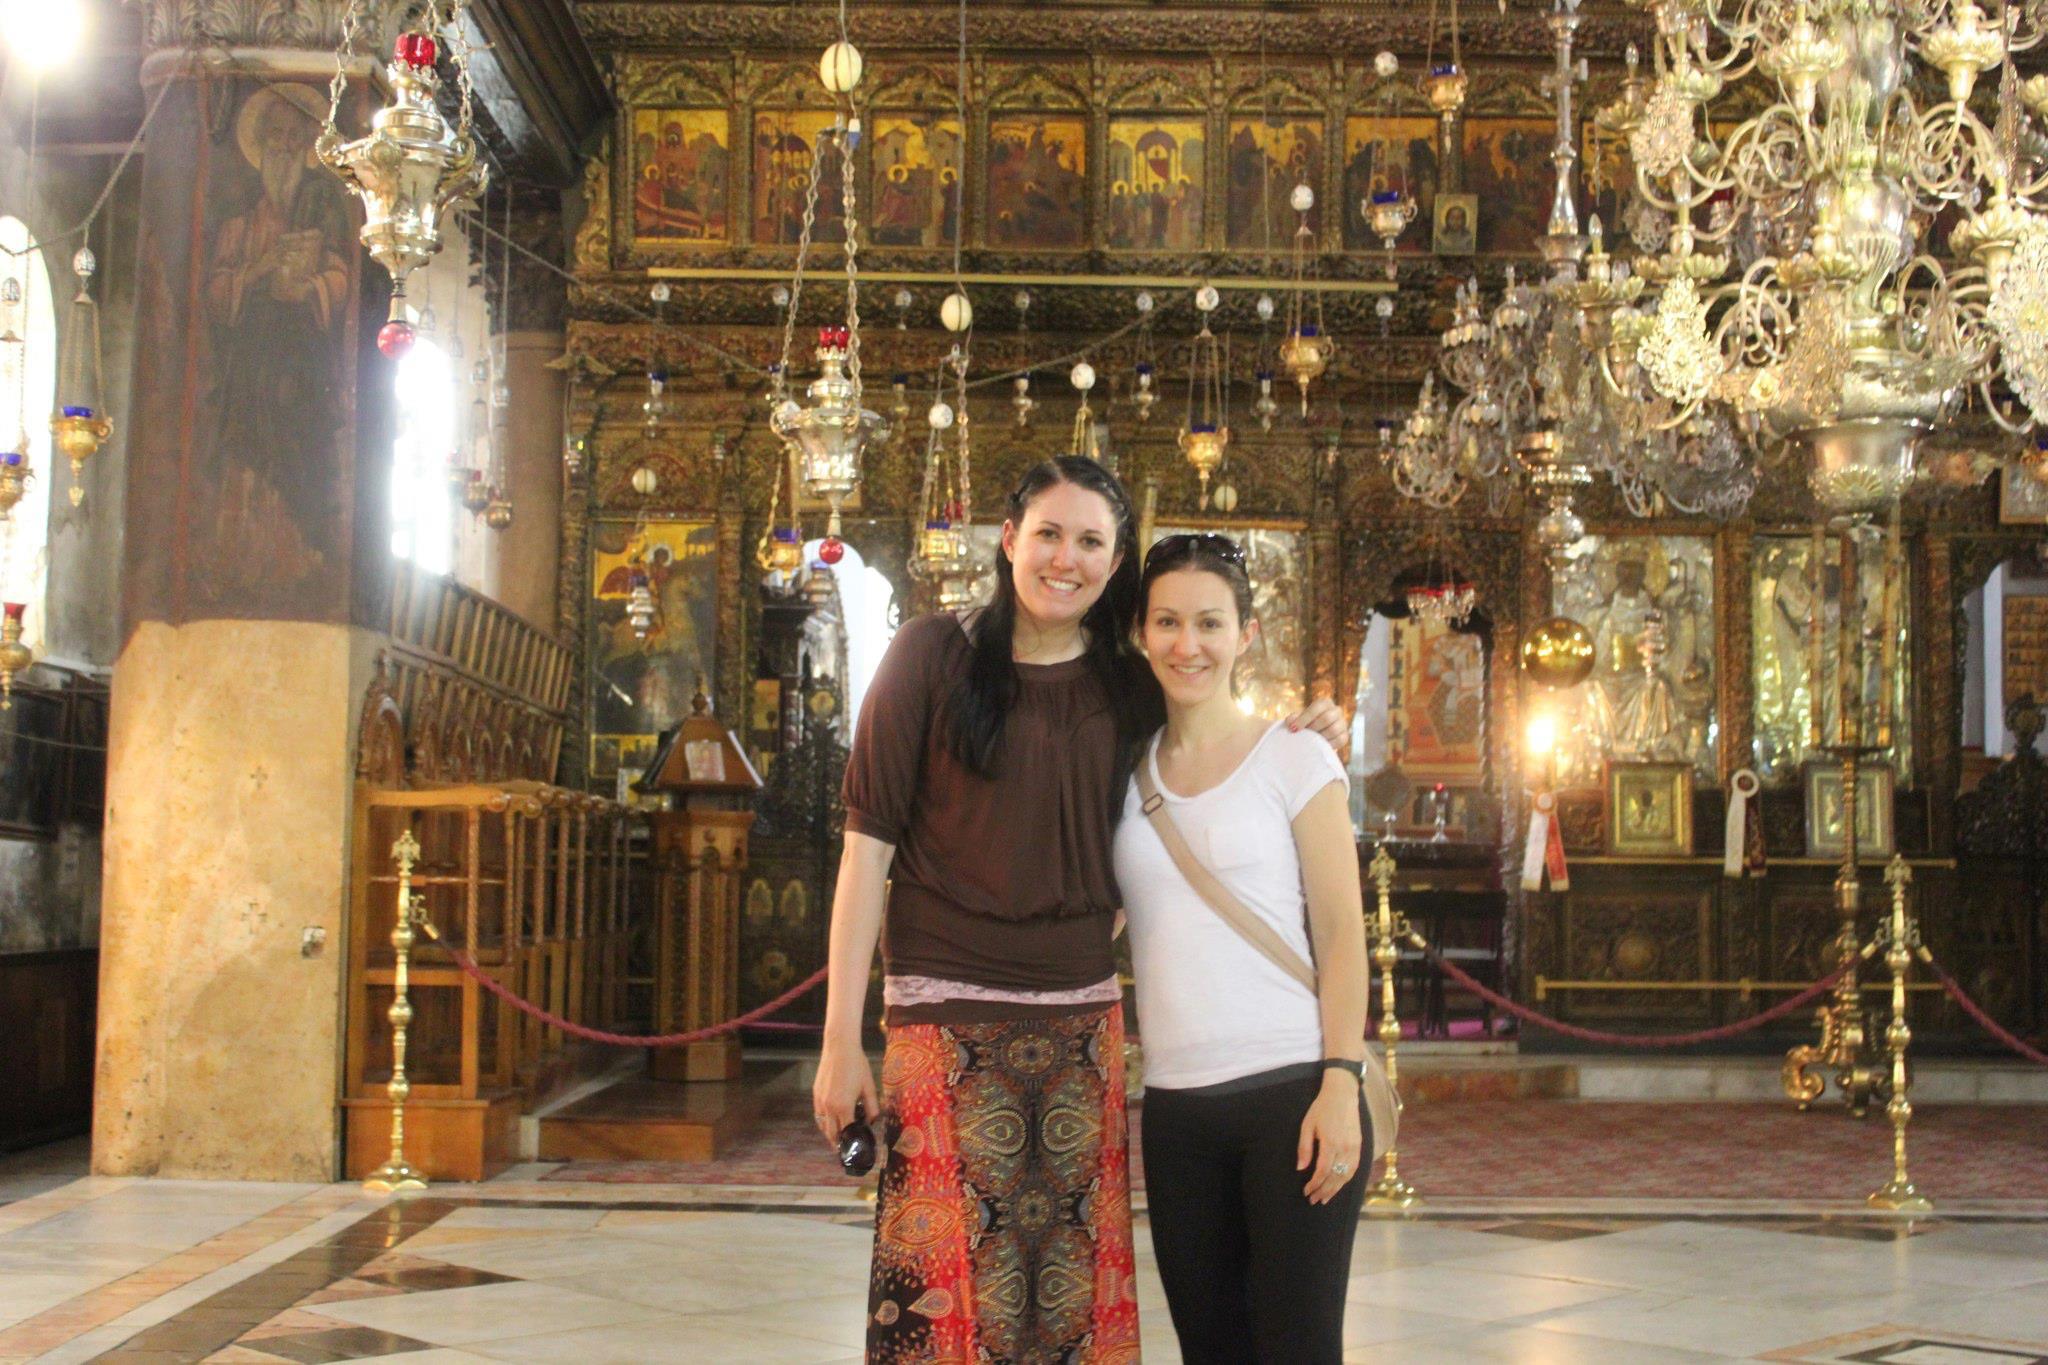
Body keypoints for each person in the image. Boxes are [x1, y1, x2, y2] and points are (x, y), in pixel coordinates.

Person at [813, 458, 1345, 1361]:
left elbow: (1210, 746)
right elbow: (867, 855)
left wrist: (1312, 725)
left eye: (1092, 541)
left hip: (1081, 1028)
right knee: (947, 1296)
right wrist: (838, 1039)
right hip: (943, 1020)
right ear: (1009, 538)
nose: (1067, 558)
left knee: (1062, 1297)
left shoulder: (1127, 684)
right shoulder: (929, 657)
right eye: (1049, 533)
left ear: (1116, 560)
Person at [1116, 532, 1370, 1364]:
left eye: (1210, 623)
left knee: (1297, 1346)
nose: (1188, 644)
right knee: (1210, 1348)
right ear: (1139, 634)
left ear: (1246, 634)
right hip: (1178, 1107)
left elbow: (1341, 934)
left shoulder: (1294, 756)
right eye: (1168, 622)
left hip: (1291, 1091)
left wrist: (1341, 1081)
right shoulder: (1122, 776)